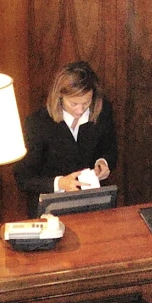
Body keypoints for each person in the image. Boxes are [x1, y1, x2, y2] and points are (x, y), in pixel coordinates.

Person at [16, 60, 119, 199]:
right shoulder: (37, 124)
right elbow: (23, 178)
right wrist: (60, 183)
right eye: (74, 103)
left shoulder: (102, 111)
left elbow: (110, 150)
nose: (80, 110)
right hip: (52, 202)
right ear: (60, 96)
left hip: (92, 198)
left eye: (86, 103)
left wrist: (103, 162)